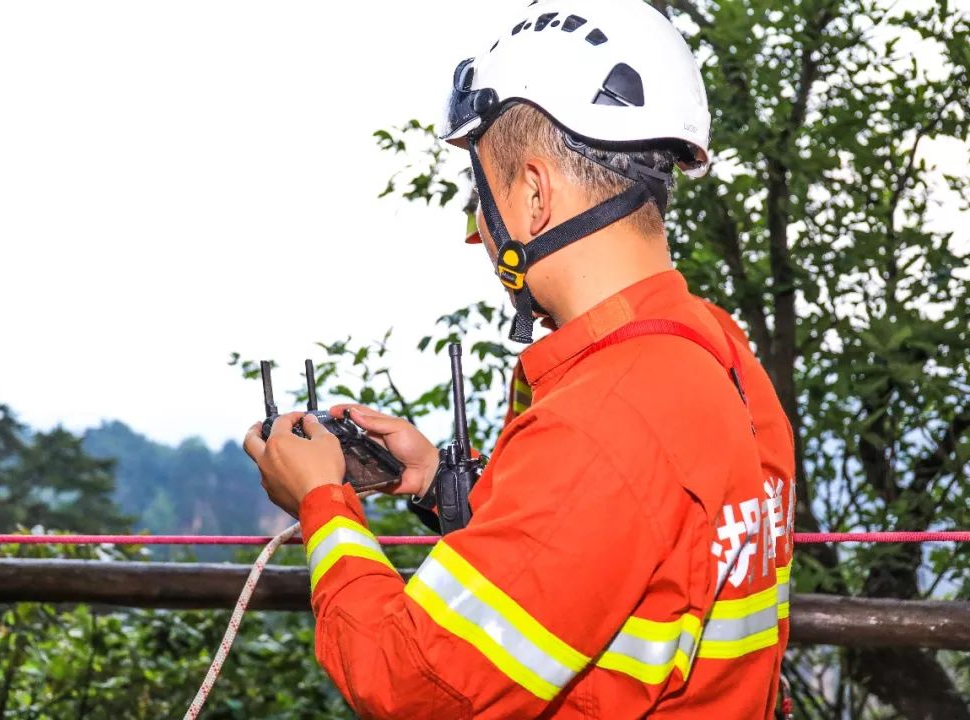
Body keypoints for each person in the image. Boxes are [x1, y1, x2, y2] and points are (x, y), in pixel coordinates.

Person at [243, 0, 795, 717]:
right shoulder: (717, 351)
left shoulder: (604, 417)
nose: (477, 230)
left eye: (483, 193)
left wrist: (324, 504)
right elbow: (611, 550)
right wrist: (441, 484)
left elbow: (410, 680)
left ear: (533, 194)